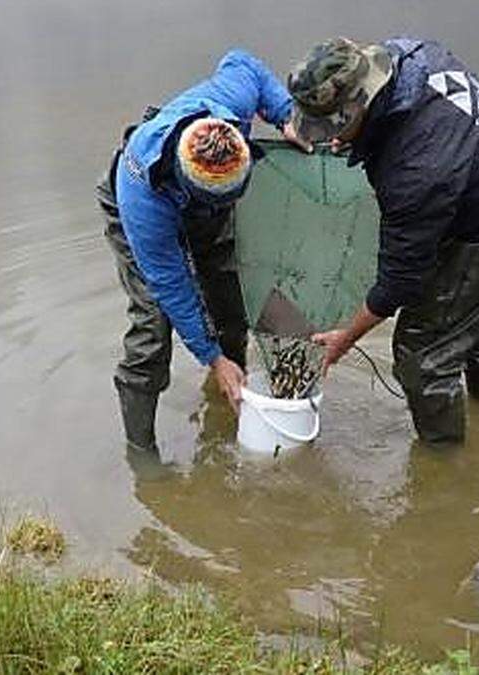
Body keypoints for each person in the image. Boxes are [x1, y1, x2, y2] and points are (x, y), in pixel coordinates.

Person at [286, 37, 479, 444]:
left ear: (359, 107)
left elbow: (399, 282)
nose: (329, 136)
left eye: (334, 125)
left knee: (422, 356)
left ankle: (446, 476)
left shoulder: (417, 172)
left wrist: (344, 339)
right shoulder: (408, 52)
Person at [97, 49, 310, 453]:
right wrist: (210, 356)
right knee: (153, 328)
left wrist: (286, 117)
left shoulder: (233, 98)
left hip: (205, 210)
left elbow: (242, 62)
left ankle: (231, 394)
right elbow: (172, 286)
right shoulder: (145, 201)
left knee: (231, 298)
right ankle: (142, 456)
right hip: (137, 205)